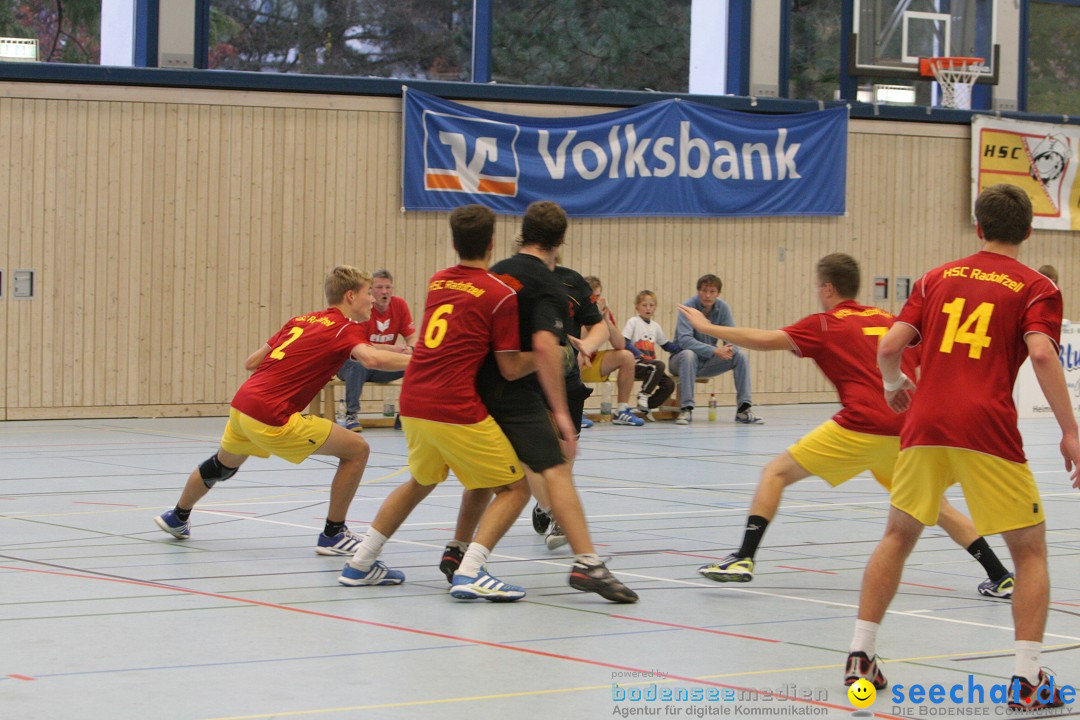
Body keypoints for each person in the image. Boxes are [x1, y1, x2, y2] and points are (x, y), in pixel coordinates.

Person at [845, 185, 1080, 710]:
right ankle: (1027, 679)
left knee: (898, 535)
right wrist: (1070, 430)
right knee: (1030, 551)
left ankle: (861, 654)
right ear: (1027, 230)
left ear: (978, 227)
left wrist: (890, 385)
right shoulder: (1036, 285)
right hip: (986, 429)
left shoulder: (935, 277)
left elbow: (888, 346)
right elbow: (1042, 354)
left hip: (925, 423)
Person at [679, 254, 1015, 599]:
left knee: (774, 474)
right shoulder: (888, 318)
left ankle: (743, 559)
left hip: (862, 424)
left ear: (827, 288)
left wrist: (707, 329)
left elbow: (765, 339)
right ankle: (1000, 575)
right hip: (907, 428)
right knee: (937, 506)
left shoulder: (826, 324)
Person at [444, 200, 638, 603]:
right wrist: (563, 416)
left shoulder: (496, 272)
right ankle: (587, 564)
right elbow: (545, 349)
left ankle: (457, 549)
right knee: (555, 470)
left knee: (490, 477)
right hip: (513, 391)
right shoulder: (547, 283)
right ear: (560, 239)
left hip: (475, 387)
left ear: (519, 233)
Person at [337, 205, 535, 601]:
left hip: (413, 398)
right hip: (453, 404)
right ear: (493, 243)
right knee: (516, 487)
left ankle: (359, 562)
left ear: (452, 242)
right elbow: (510, 366)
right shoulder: (500, 294)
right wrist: (547, 354)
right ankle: (472, 571)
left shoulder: (438, 281)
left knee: (421, 480)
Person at [153, 266, 411, 556]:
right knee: (357, 450)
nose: (374, 300)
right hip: (270, 413)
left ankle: (177, 516)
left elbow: (252, 362)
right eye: (368, 293)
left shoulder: (300, 320)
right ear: (350, 296)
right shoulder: (344, 328)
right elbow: (372, 359)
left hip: (243, 406)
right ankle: (334, 534)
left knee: (222, 465)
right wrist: (424, 360)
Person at [672, 274, 762, 425]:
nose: (707, 295)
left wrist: (729, 349)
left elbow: (732, 336)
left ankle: (743, 409)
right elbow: (685, 340)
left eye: (712, 291)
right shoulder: (688, 308)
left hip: (707, 362)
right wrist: (714, 351)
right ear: (698, 291)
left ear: (718, 293)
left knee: (741, 356)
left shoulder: (723, 308)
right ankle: (686, 409)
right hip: (680, 361)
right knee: (689, 354)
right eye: (704, 291)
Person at [335, 269, 418, 431]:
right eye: (379, 288)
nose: (384, 292)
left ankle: (405, 414)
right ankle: (351, 414)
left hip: (380, 365)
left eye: (388, 287)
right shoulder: (362, 307)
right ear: (371, 291)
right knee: (357, 365)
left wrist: (410, 348)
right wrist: (392, 349)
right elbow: (360, 345)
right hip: (352, 362)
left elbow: (412, 336)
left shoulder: (399, 305)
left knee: (415, 365)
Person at [578, 275, 644, 427]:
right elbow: (578, 341)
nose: (595, 300)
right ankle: (576, 410)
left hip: (593, 362)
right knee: (579, 355)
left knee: (627, 356)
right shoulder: (576, 309)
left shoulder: (602, 312)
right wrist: (592, 320)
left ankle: (622, 410)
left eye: (598, 296)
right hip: (574, 361)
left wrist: (605, 321)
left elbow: (620, 344)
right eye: (592, 296)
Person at [622, 289, 679, 418]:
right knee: (659, 365)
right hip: (636, 364)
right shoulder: (633, 322)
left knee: (669, 385)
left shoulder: (655, 326)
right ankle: (644, 394)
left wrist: (681, 349)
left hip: (651, 367)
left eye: (651, 305)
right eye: (644, 305)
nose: (648, 309)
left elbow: (666, 345)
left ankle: (646, 406)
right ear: (637, 307)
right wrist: (637, 353)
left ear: (655, 308)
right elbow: (624, 341)